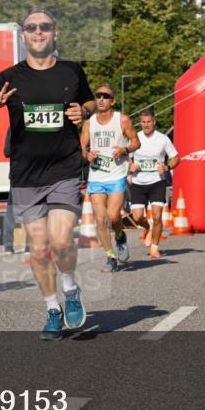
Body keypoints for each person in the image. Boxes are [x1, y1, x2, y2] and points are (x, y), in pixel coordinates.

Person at [0, 8, 95, 340]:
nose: (38, 32)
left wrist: (84, 111)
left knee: (62, 239)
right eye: (31, 27)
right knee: (38, 249)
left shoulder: (72, 72)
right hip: (25, 174)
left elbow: (90, 103)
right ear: (23, 35)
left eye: (45, 27)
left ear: (55, 34)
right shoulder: (10, 77)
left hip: (64, 167)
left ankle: (70, 287)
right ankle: (53, 309)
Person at [82, 83, 140, 272]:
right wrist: (87, 155)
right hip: (96, 176)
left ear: (112, 101)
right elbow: (82, 148)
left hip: (116, 175)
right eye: (98, 96)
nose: (101, 99)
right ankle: (110, 256)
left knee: (113, 215)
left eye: (105, 96)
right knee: (100, 219)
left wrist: (124, 149)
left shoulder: (122, 120)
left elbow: (136, 142)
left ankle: (120, 236)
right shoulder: (89, 123)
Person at [128, 109, 178, 259]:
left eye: (149, 122)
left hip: (157, 181)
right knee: (137, 217)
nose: (146, 125)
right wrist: (131, 166)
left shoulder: (162, 139)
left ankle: (155, 248)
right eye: (143, 122)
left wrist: (167, 167)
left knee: (157, 217)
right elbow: (126, 157)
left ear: (154, 121)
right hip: (138, 182)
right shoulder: (134, 138)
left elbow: (176, 157)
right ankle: (147, 228)